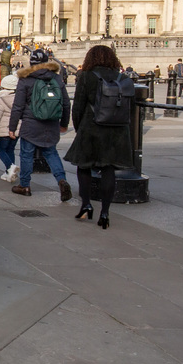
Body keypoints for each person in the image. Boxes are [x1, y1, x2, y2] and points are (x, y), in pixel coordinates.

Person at [64, 45, 134, 230]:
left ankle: (86, 203)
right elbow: (130, 108)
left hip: (91, 127)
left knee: (84, 167)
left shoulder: (87, 77)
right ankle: (105, 212)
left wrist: (79, 128)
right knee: (108, 169)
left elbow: (78, 106)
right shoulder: (124, 79)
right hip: (117, 131)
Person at [8, 48, 72, 201]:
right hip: (51, 123)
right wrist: (63, 123)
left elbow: (18, 106)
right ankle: (62, 181)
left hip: (31, 123)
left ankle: (25, 185)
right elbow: (66, 104)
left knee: (26, 154)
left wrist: (12, 127)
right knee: (51, 153)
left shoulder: (26, 79)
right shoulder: (56, 79)